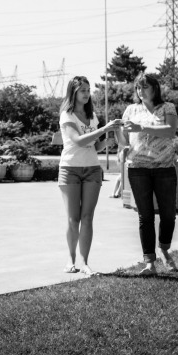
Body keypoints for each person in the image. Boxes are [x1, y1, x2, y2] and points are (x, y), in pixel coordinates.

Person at [58, 76, 123, 276]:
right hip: (70, 170)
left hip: (92, 170)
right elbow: (77, 140)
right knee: (73, 218)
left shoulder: (92, 116)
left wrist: (109, 139)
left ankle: (85, 263)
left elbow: (95, 146)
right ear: (73, 92)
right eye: (82, 90)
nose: (86, 94)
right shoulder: (67, 115)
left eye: (88, 90)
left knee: (87, 218)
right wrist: (103, 129)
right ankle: (71, 259)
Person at [116, 73, 178, 275]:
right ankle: (149, 262)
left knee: (168, 214)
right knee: (145, 216)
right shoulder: (130, 110)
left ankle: (164, 248)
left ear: (155, 89)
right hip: (138, 168)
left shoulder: (167, 107)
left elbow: (170, 131)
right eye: (138, 88)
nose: (140, 91)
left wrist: (141, 127)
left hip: (165, 167)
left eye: (144, 87)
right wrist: (122, 148)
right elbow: (123, 137)